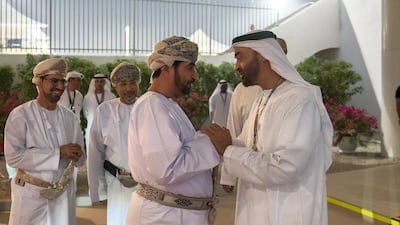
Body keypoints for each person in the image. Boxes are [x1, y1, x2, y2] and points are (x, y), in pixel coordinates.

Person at [201, 30, 333, 225]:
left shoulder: (299, 99)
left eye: (239, 57)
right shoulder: (264, 97)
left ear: (262, 55)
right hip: (258, 209)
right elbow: (248, 145)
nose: (236, 66)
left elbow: (285, 167)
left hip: (289, 212)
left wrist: (228, 149)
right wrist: (213, 143)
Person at [126, 36, 221, 225]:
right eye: (189, 68)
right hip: (163, 217)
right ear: (167, 69)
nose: (195, 76)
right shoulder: (152, 105)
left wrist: (206, 138)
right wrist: (213, 144)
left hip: (173, 215)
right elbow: (166, 170)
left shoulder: (166, 104)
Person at [4, 58, 86, 225]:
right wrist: (58, 153)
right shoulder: (21, 115)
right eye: (54, 81)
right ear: (39, 82)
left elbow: (81, 159)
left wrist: (79, 155)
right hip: (30, 195)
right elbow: (13, 157)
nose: (61, 87)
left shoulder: (70, 118)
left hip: (63, 195)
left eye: (62, 81)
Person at [220, 36, 288, 193]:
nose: (236, 67)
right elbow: (235, 130)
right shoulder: (242, 90)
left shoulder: (295, 97)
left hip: (280, 188)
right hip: (248, 175)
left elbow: (287, 163)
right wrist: (228, 173)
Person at [87, 62, 141, 225]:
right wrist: (98, 190)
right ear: (116, 86)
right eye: (123, 84)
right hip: (117, 183)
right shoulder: (104, 111)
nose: (129, 88)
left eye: (132, 83)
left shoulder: (148, 107)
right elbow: (95, 152)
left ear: (139, 84)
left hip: (146, 185)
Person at [83, 74, 115, 147]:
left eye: (101, 81)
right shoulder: (87, 97)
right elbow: (85, 113)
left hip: (108, 127)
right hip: (92, 126)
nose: (99, 83)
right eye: (97, 81)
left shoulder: (111, 96)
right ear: (94, 83)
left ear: (104, 83)